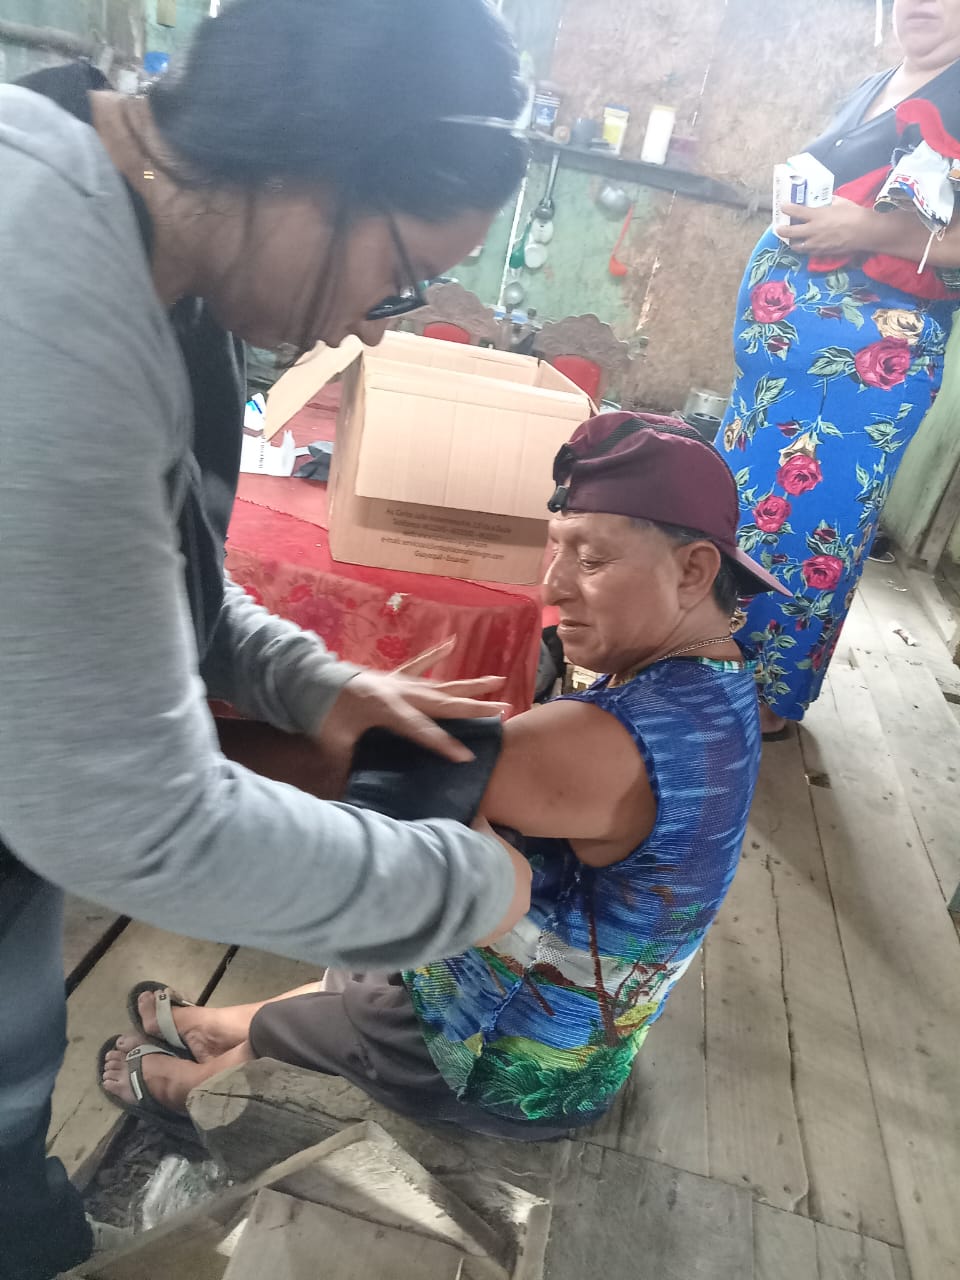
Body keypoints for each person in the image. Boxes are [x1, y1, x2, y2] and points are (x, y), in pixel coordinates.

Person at [0, 3, 535, 1276]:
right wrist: (468, 887)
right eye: (397, 275)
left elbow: (139, 566)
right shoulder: (47, 301)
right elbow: (136, 822)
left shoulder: (131, 221)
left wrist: (310, 679)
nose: (374, 325)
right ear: (314, 168)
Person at [101, 414, 785, 1140]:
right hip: (583, 1022)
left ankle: (196, 1085)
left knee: (362, 971)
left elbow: (361, 772)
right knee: (385, 958)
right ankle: (227, 1025)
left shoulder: (614, 741)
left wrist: (135, 745)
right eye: (556, 548)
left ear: (694, 571)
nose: (552, 587)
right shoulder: (716, 684)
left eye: (589, 559)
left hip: (515, 1063)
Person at [718, 0, 960, 737]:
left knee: (814, 523)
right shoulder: (877, 85)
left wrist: (866, 228)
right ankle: (705, 665)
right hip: (778, 373)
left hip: (864, 371)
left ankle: (765, 697)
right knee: (737, 510)